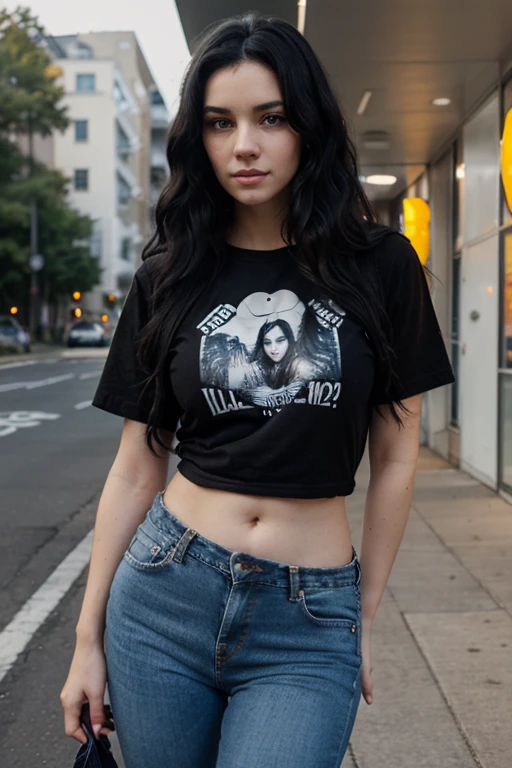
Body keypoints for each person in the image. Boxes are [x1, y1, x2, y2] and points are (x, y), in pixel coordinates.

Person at [60, 12, 455, 768]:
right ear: (196, 138)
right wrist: (86, 640)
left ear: (306, 123)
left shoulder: (381, 266)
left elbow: (398, 458)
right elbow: (136, 466)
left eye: (270, 117)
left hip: (308, 614)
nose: (244, 145)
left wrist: (361, 616)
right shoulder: (169, 277)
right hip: (163, 596)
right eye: (219, 122)